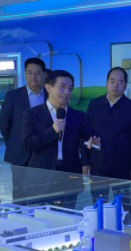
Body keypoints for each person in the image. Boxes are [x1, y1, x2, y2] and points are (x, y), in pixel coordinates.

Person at [22, 70, 100, 207]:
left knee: (67, 217)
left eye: (70, 88)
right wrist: (52, 131)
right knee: (39, 217)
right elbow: (27, 145)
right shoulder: (32, 114)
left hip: (69, 177)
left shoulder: (78, 116)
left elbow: (92, 135)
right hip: (40, 178)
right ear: (48, 88)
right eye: (62, 87)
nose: (66, 92)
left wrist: (95, 141)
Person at [82, 67, 131, 205]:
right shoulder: (94, 105)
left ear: (125, 85)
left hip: (123, 168)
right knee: (99, 205)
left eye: (120, 82)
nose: (115, 85)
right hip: (97, 166)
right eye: (112, 81)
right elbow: (85, 134)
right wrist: (85, 161)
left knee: (122, 207)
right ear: (106, 83)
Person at [0, 57, 48, 201]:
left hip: (45, 152)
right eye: (30, 72)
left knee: (43, 191)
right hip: (20, 153)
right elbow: (5, 125)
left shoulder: (50, 95)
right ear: (24, 74)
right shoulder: (13, 96)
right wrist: (14, 143)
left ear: (44, 74)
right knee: (20, 193)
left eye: (38, 73)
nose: (34, 76)